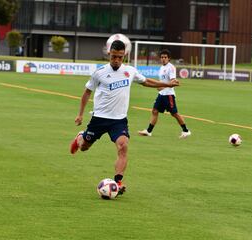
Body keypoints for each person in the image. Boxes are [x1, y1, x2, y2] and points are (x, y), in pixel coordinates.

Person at [69, 40, 179, 196]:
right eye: (114, 57)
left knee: (123, 146)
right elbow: (87, 92)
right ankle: (80, 137)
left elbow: (146, 81)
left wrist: (167, 84)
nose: (116, 60)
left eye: (120, 57)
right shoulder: (99, 72)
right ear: (109, 53)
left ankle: (118, 182)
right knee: (84, 147)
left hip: (119, 120)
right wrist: (80, 114)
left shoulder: (130, 71)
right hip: (99, 118)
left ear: (124, 56)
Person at [138, 49, 191, 138]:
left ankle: (186, 131)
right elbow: (162, 81)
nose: (163, 59)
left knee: (174, 114)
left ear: (169, 58)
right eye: (162, 57)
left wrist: (162, 87)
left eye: (165, 57)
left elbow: (173, 81)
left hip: (168, 95)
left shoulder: (171, 67)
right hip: (162, 94)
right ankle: (148, 131)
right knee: (155, 111)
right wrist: (159, 87)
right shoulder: (162, 68)